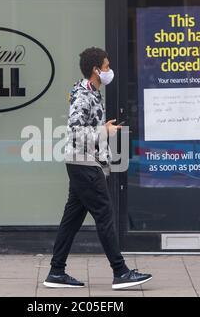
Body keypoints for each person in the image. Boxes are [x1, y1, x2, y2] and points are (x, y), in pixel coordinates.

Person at [43, 47, 152, 290]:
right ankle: (120, 272)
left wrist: (103, 125)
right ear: (95, 70)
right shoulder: (83, 95)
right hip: (85, 164)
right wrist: (105, 131)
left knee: (71, 220)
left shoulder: (91, 92)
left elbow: (87, 125)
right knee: (104, 215)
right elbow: (75, 132)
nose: (109, 70)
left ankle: (56, 272)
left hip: (82, 163)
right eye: (106, 66)